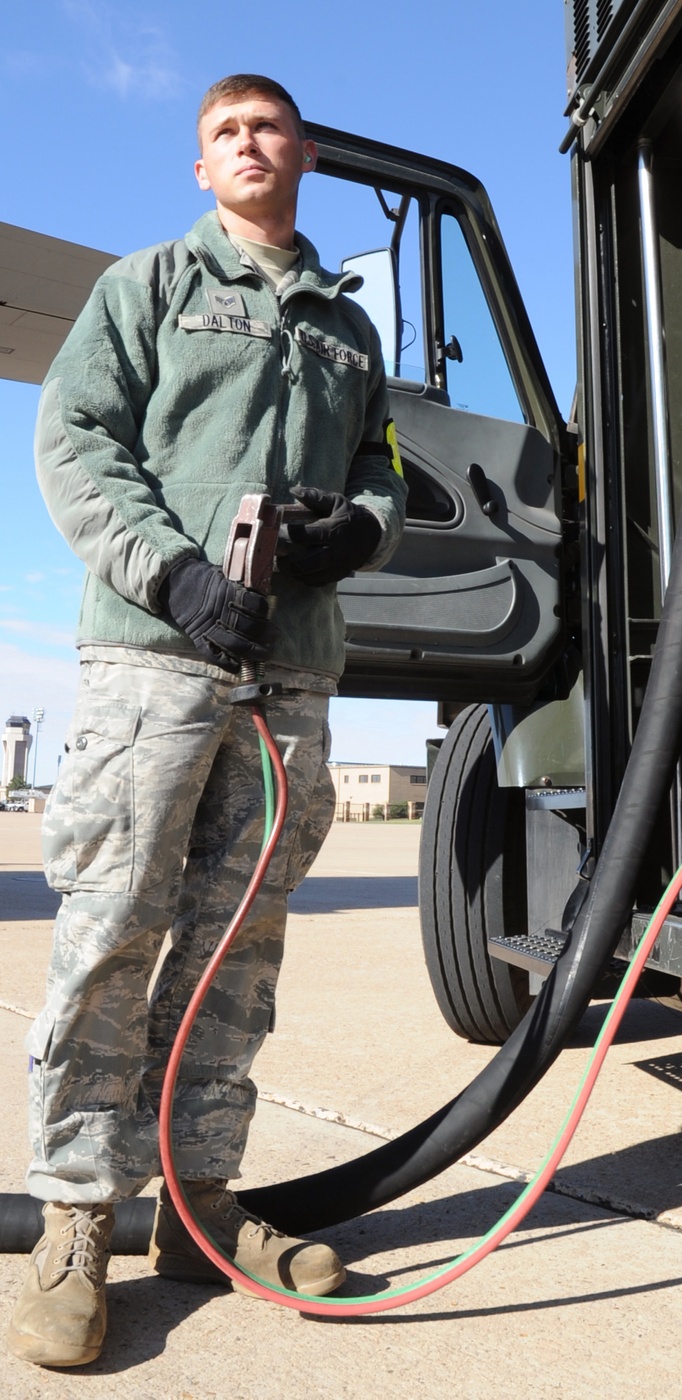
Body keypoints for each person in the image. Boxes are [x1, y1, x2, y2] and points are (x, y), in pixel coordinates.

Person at [8, 74, 407, 1368]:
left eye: (269, 126)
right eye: (224, 132)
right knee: (114, 928)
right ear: (199, 168)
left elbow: (385, 467)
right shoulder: (148, 290)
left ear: (304, 152)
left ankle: (200, 1208)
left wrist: (359, 530)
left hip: (289, 681)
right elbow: (72, 438)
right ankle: (77, 1220)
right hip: (154, 667)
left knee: (241, 951)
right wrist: (170, 574)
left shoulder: (350, 330)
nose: (248, 142)